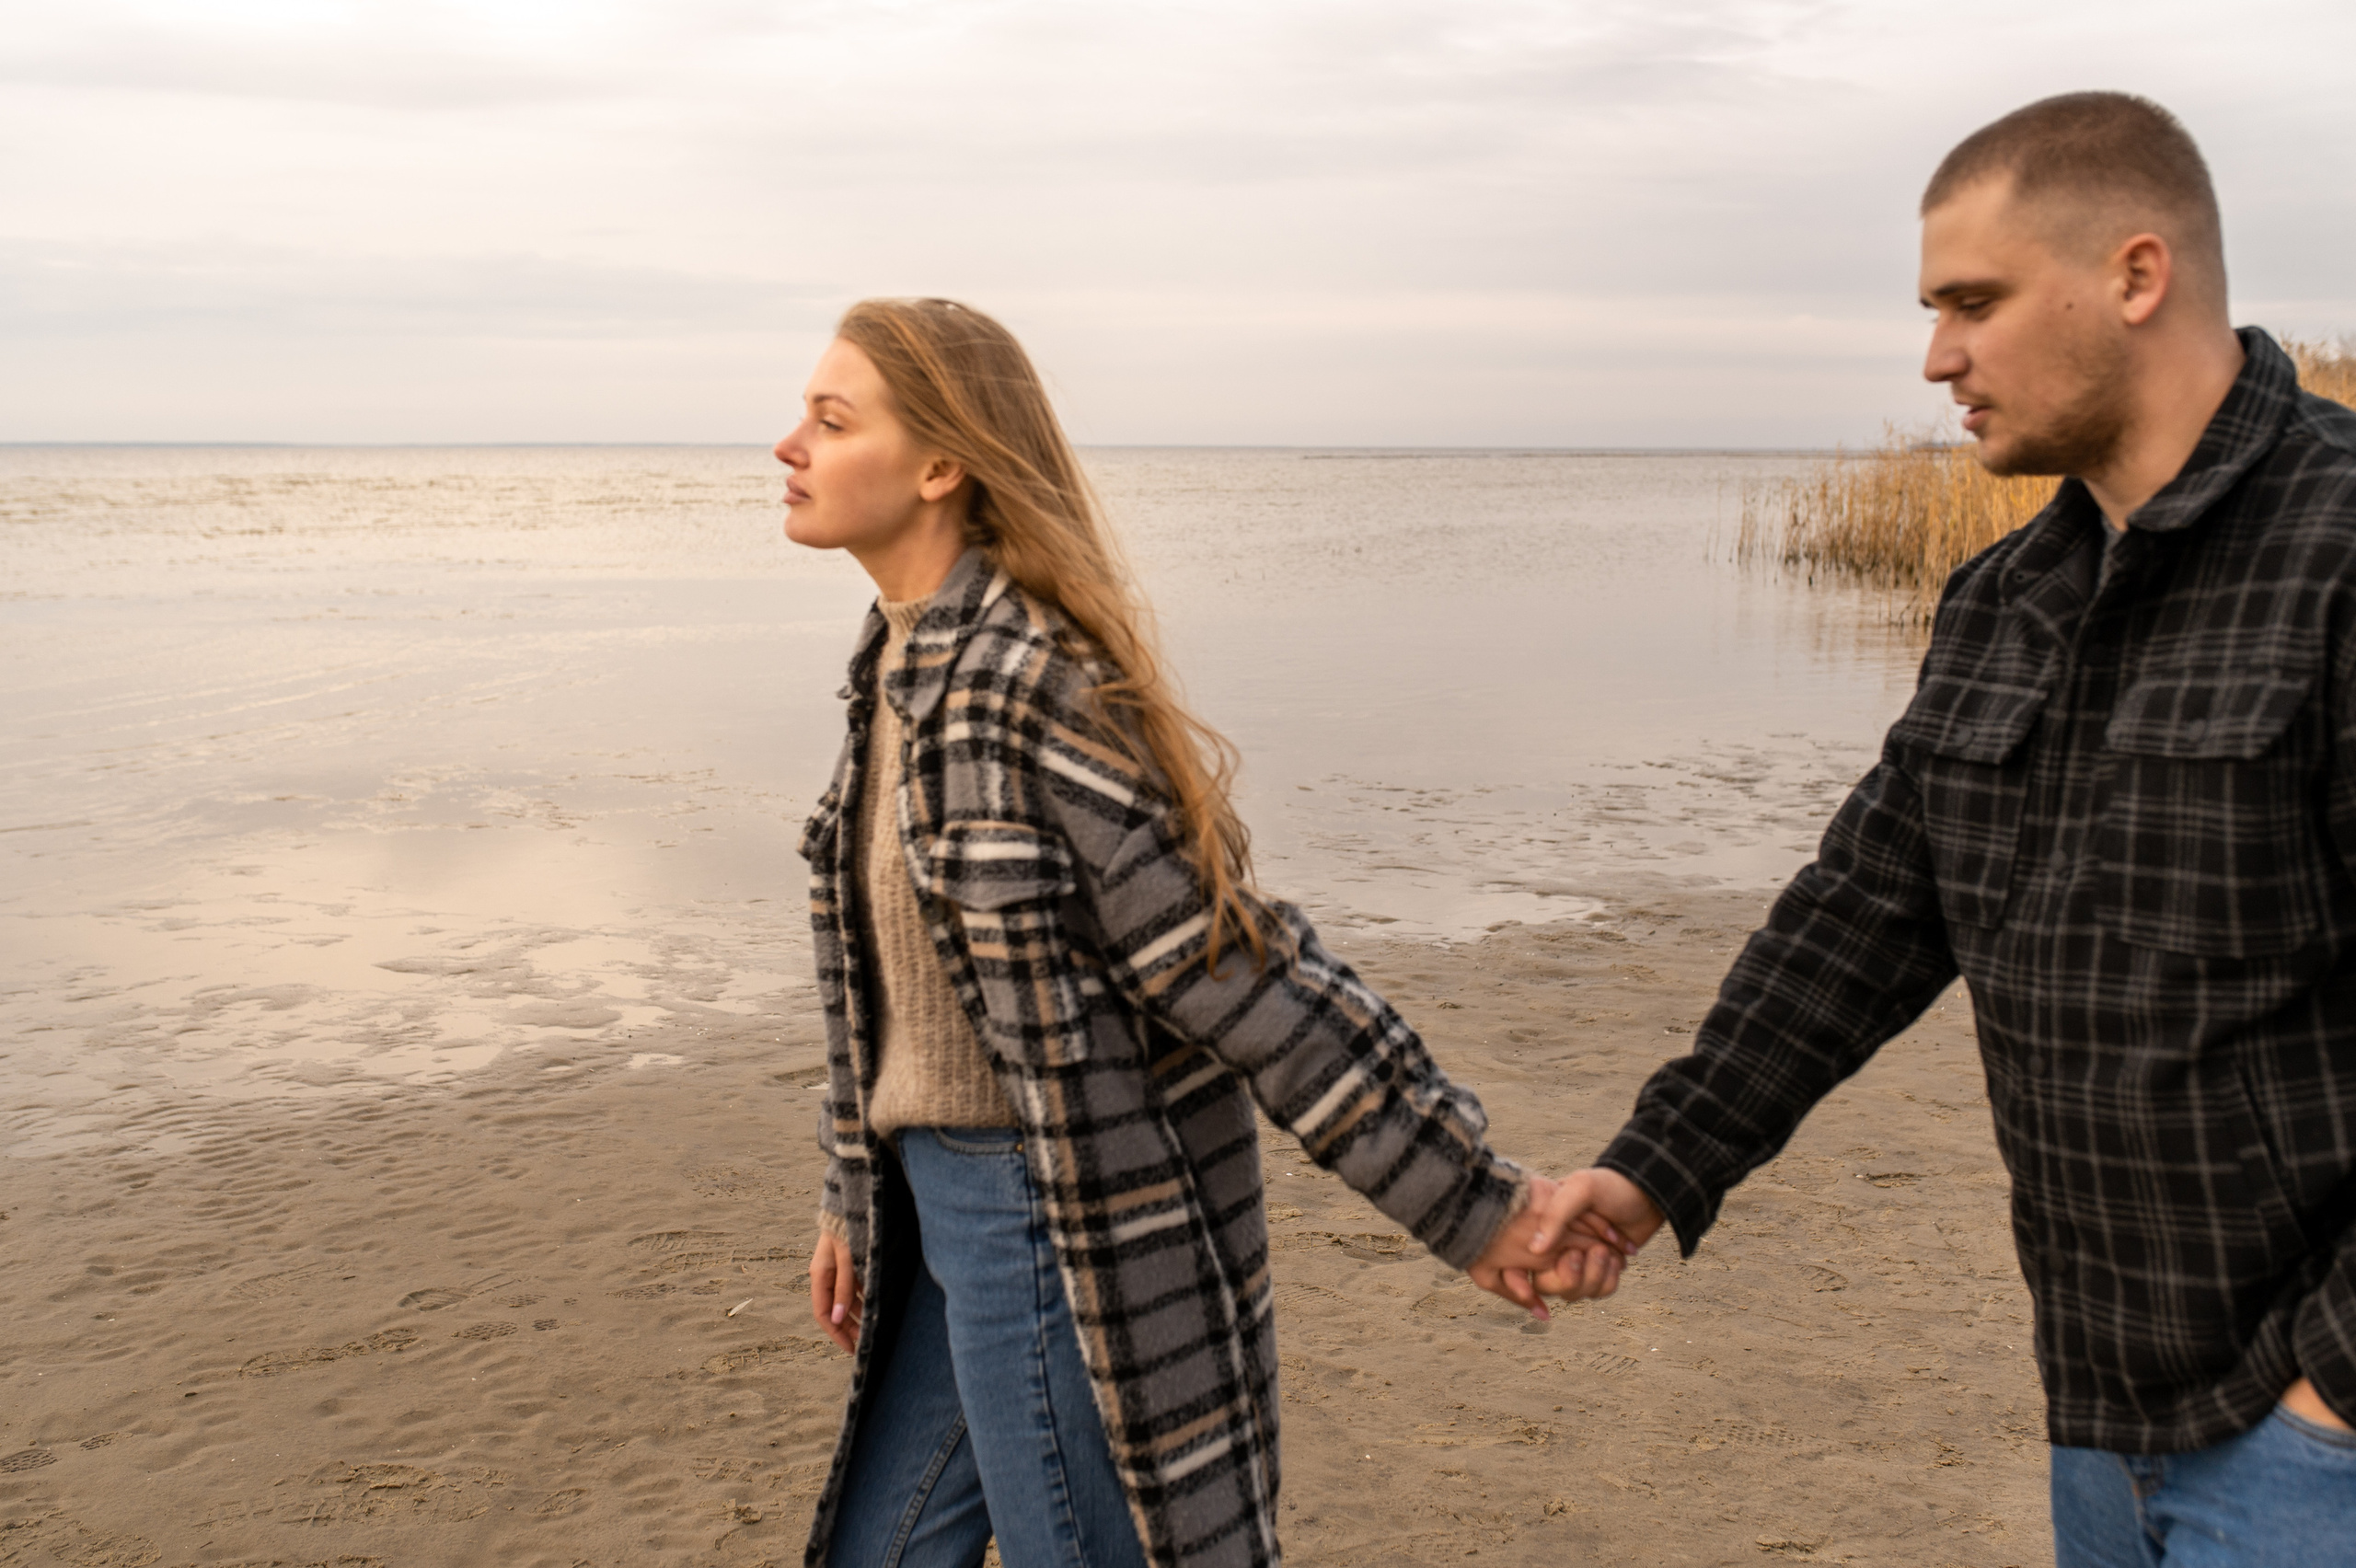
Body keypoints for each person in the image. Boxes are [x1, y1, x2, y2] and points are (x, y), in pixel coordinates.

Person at [1530, 92, 2356, 1565]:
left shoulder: (2338, 557)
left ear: (2136, 274)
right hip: (2100, 1412)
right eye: (1932, 309)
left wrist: (2330, 1399)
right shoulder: (2002, 602)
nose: (1937, 359)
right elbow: (1862, 917)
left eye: (1973, 303)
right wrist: (1657, 1165)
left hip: (2309, 1447)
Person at [779, 298, 1623, 1568]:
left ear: (942, 464)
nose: (788, 444)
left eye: (830, 420)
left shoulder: (1024, 680)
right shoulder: (895, 667)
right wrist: (856, 1194)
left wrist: (1472, 1201)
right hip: (933, 1210)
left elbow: (1235, 966)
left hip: (1047, 1217)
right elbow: (887, 991)